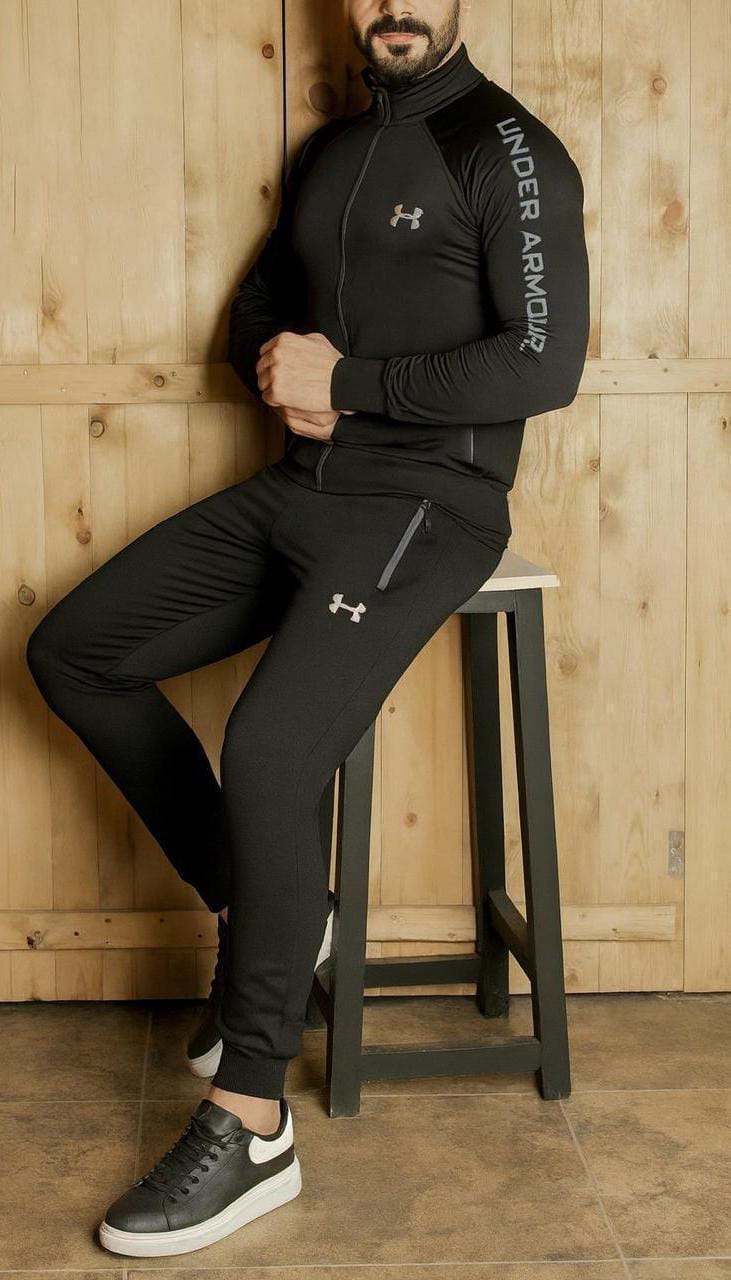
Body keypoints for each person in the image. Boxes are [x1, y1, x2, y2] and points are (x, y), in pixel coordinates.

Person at [25, 0, 589, 1258]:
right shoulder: (334, 150)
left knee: (272, 752)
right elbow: (259, 306)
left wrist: (356, 385)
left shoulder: (506, 150)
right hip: (303, 488)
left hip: (427, 506)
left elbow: (541, 365)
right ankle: (269, 907)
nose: (393, 3)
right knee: (74, 650)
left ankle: (253, 1119)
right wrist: (277, 363)